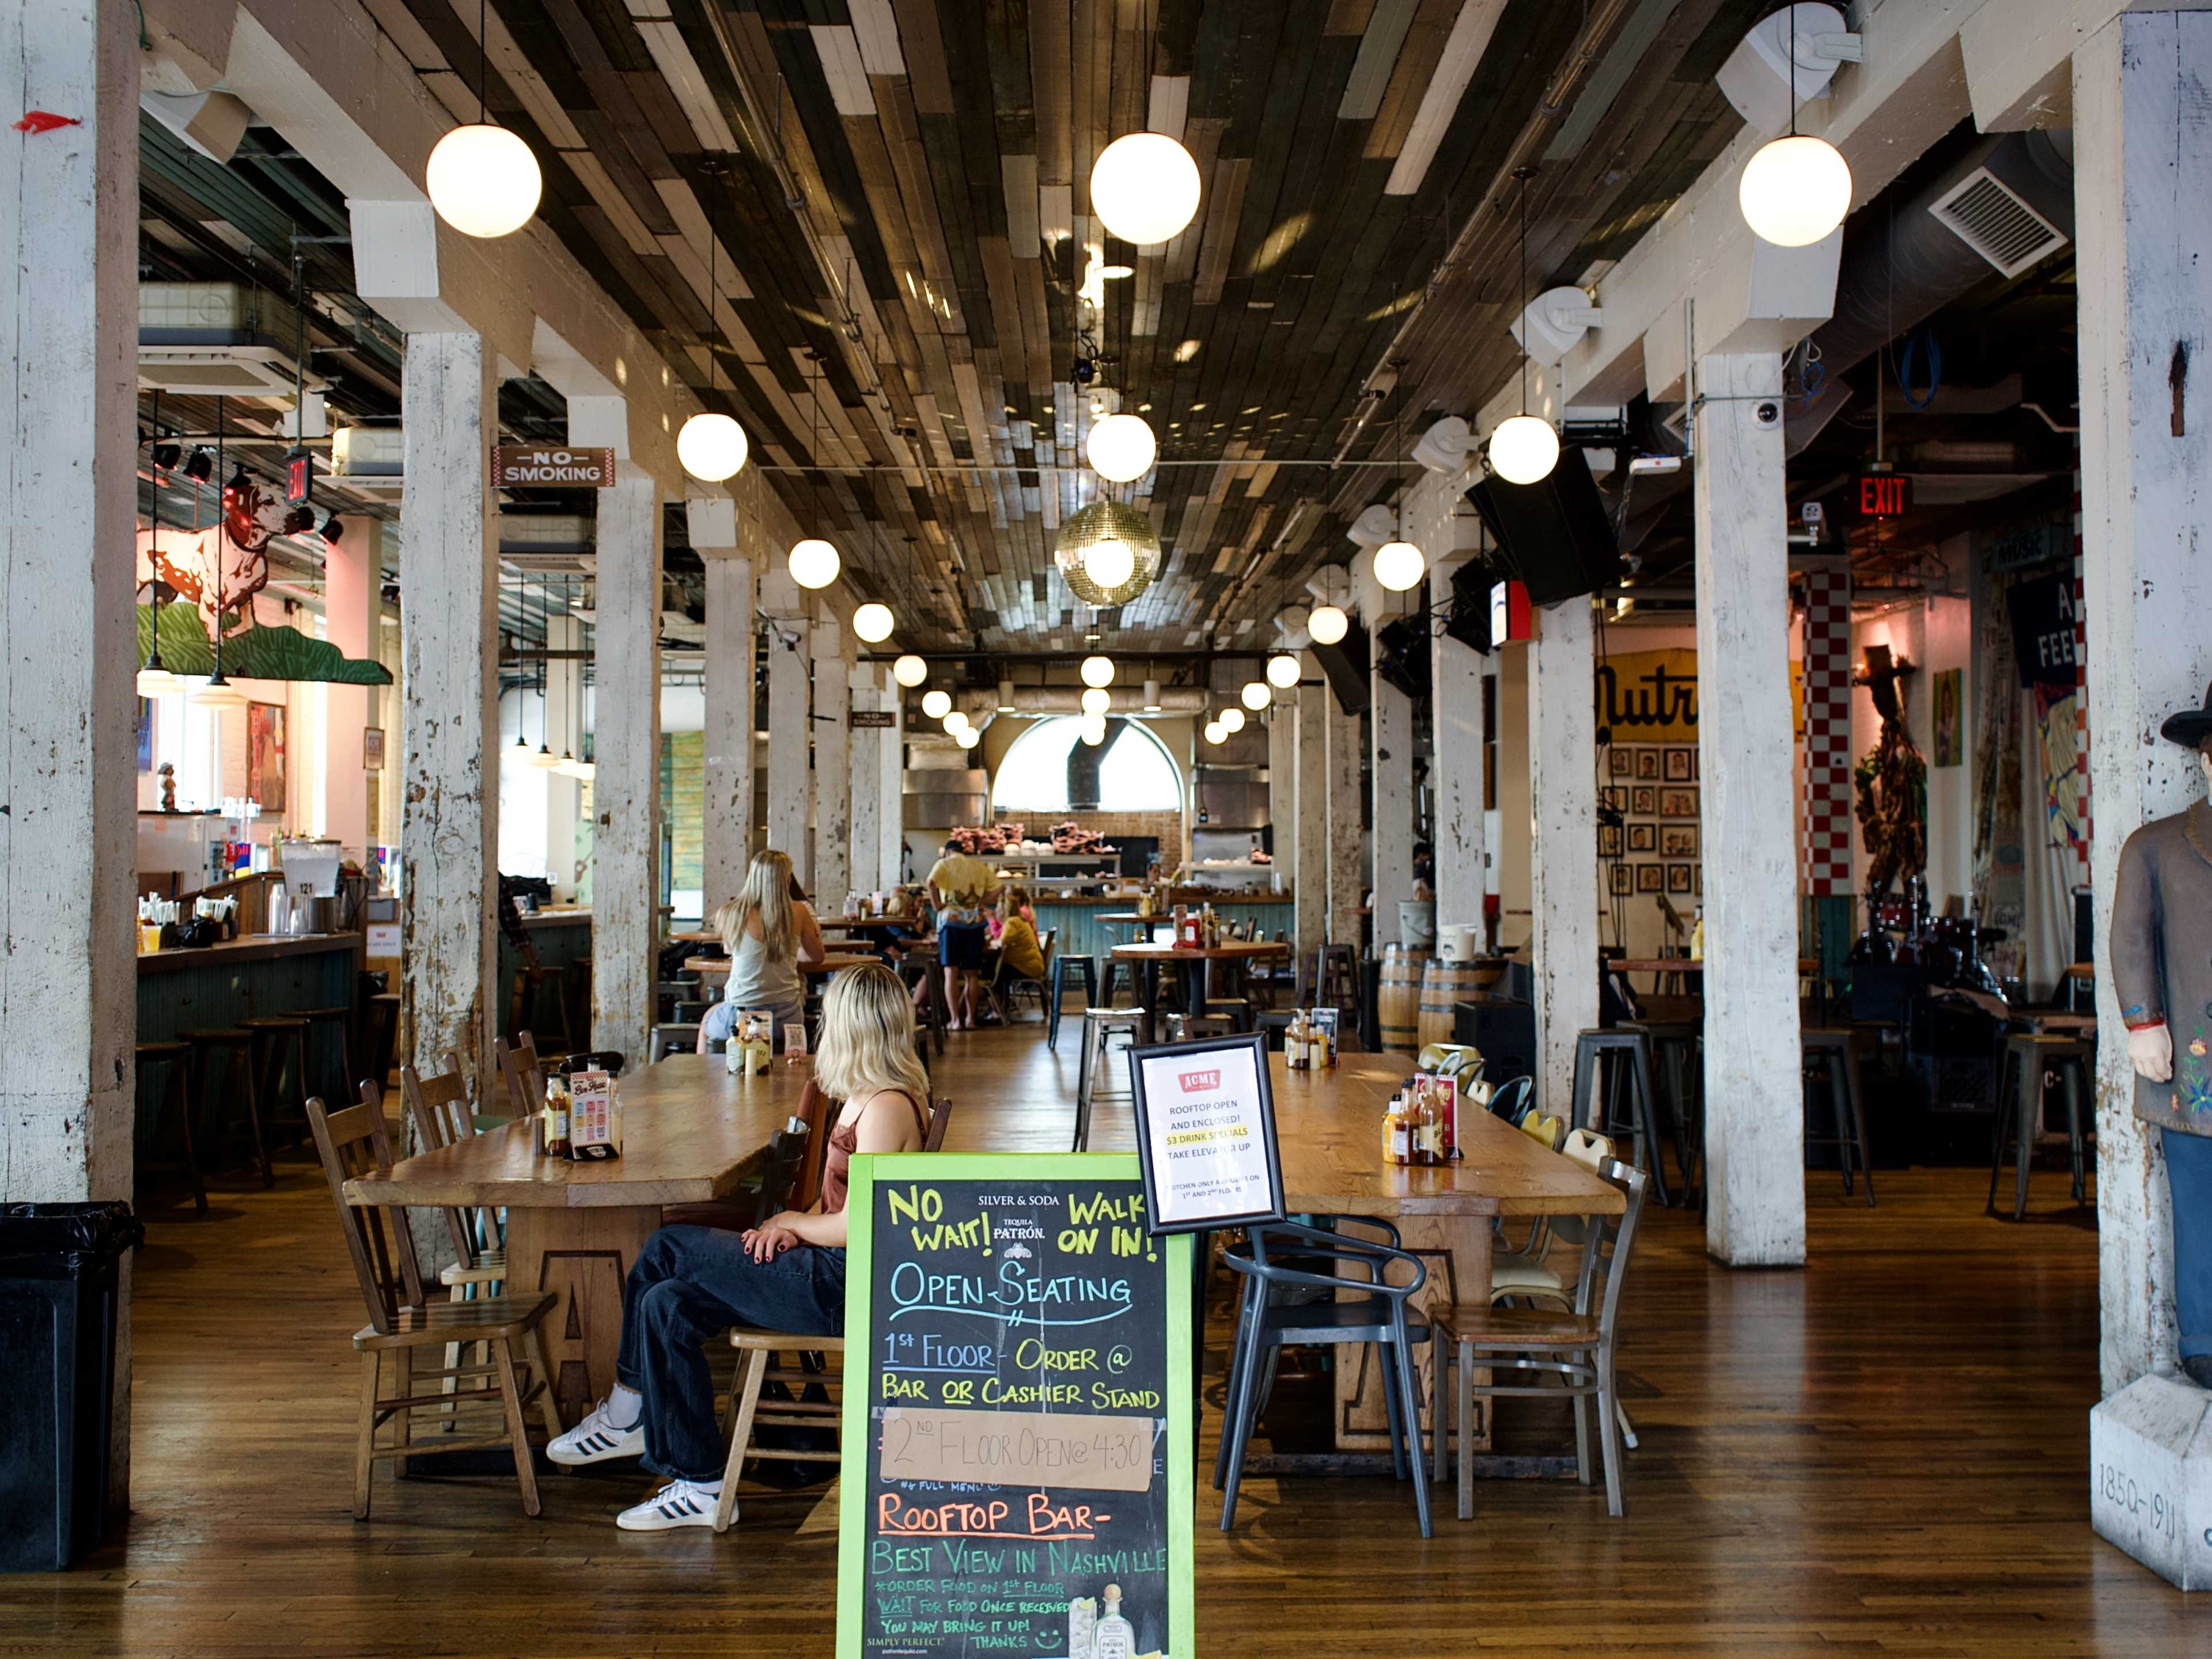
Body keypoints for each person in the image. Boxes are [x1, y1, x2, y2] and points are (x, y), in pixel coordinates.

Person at [551, 962, 933, 1528]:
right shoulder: (873, 1095)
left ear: (853, 1026)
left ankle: (626, 1412)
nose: (823, 1026)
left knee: (666, 1248)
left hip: (840, 1285)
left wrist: (791, 1221)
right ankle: (701, 1484)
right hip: (828, 1270)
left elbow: (859, 1226)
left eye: (830, 1018)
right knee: (666, 1304)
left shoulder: (886, 1108)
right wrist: (794, 1223)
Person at [2111, 683, 2212, 1391]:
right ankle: (2203, 1335)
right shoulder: (2158, 847)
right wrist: (2144, 1022)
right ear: (2207, 760)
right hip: (2195, 1061)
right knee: (2198, 1195)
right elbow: (2130, 938)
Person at [695, 849, 824, 1054]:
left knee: (706, 1023)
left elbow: (731, 949)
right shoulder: (800, 911)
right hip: (787, 1016)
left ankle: (704, 1080)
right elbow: (817, 956)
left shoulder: (731, 912)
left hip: (740, 1014)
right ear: (787, 878)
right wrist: (788, 953)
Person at [926, 838, 993, 1031]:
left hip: (952, 923)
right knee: (972, 974)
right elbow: (1000, 888)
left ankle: (955, 1020)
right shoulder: (977, 865)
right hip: (975, 924)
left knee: (951, 972)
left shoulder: (944, 864)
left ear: (948, 852)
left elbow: (931, 883)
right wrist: (981, 902)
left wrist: (938, 906)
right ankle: (971, 1019)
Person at [991, 885, 1047, 1003]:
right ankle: (1004, 1006)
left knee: (997, 972)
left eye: (998, 909)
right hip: (1032, 964)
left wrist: (992, 923)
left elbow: (1001, 941)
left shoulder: (1013, 922)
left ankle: (1000, 1007)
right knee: (1001, 969)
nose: (996, 911)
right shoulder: (1017, 919)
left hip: (1029, 967)